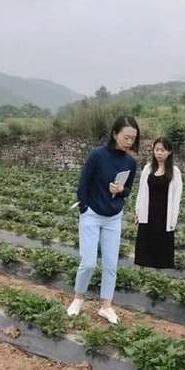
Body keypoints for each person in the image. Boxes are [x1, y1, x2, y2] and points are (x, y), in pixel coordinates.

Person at [66, 116, 139, 324]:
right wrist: (84, 207)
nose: (129, 141)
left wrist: (120, 190)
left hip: (113, 217)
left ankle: (106, 306)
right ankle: (78, 298)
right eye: (126, 137)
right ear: (115, 134)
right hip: (92, 214)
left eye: (133, 138)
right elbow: (83, 183)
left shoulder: (130, 162)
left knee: (110, 264)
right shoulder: (97, 155)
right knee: (88, 262)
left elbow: (127, 190)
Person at [134, 137, 182, 269]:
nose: (159, 153)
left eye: (162, 150)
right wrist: (138, 211)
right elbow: (141, 192)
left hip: (164, 214)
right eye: (157, 150)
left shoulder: (175, 172)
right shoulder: (148, 169)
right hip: (148, 212)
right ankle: (145, 271)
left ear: (169, 152)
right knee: (145, 248)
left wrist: (173, 220)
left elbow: (177, 198)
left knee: (162, 249)